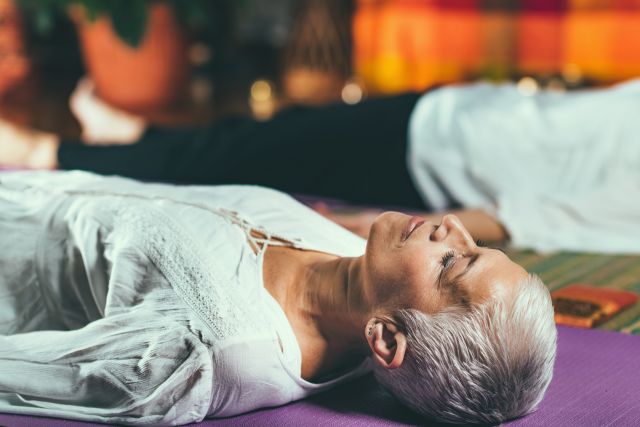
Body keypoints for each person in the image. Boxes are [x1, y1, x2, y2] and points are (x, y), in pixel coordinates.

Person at [0, 170, 556, 425]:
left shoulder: (211, 350)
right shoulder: (360, 253)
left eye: (454, 261)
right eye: (473, 243)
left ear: (386, 337)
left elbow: (20, 372)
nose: (454, 226)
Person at [2, 78, 638, 253]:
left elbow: (529, 218)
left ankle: (48, 153)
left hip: (425, 158)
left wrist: (378, 228)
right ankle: (141, 137)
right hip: (454, 114)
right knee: (270, 134)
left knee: (258, 152)